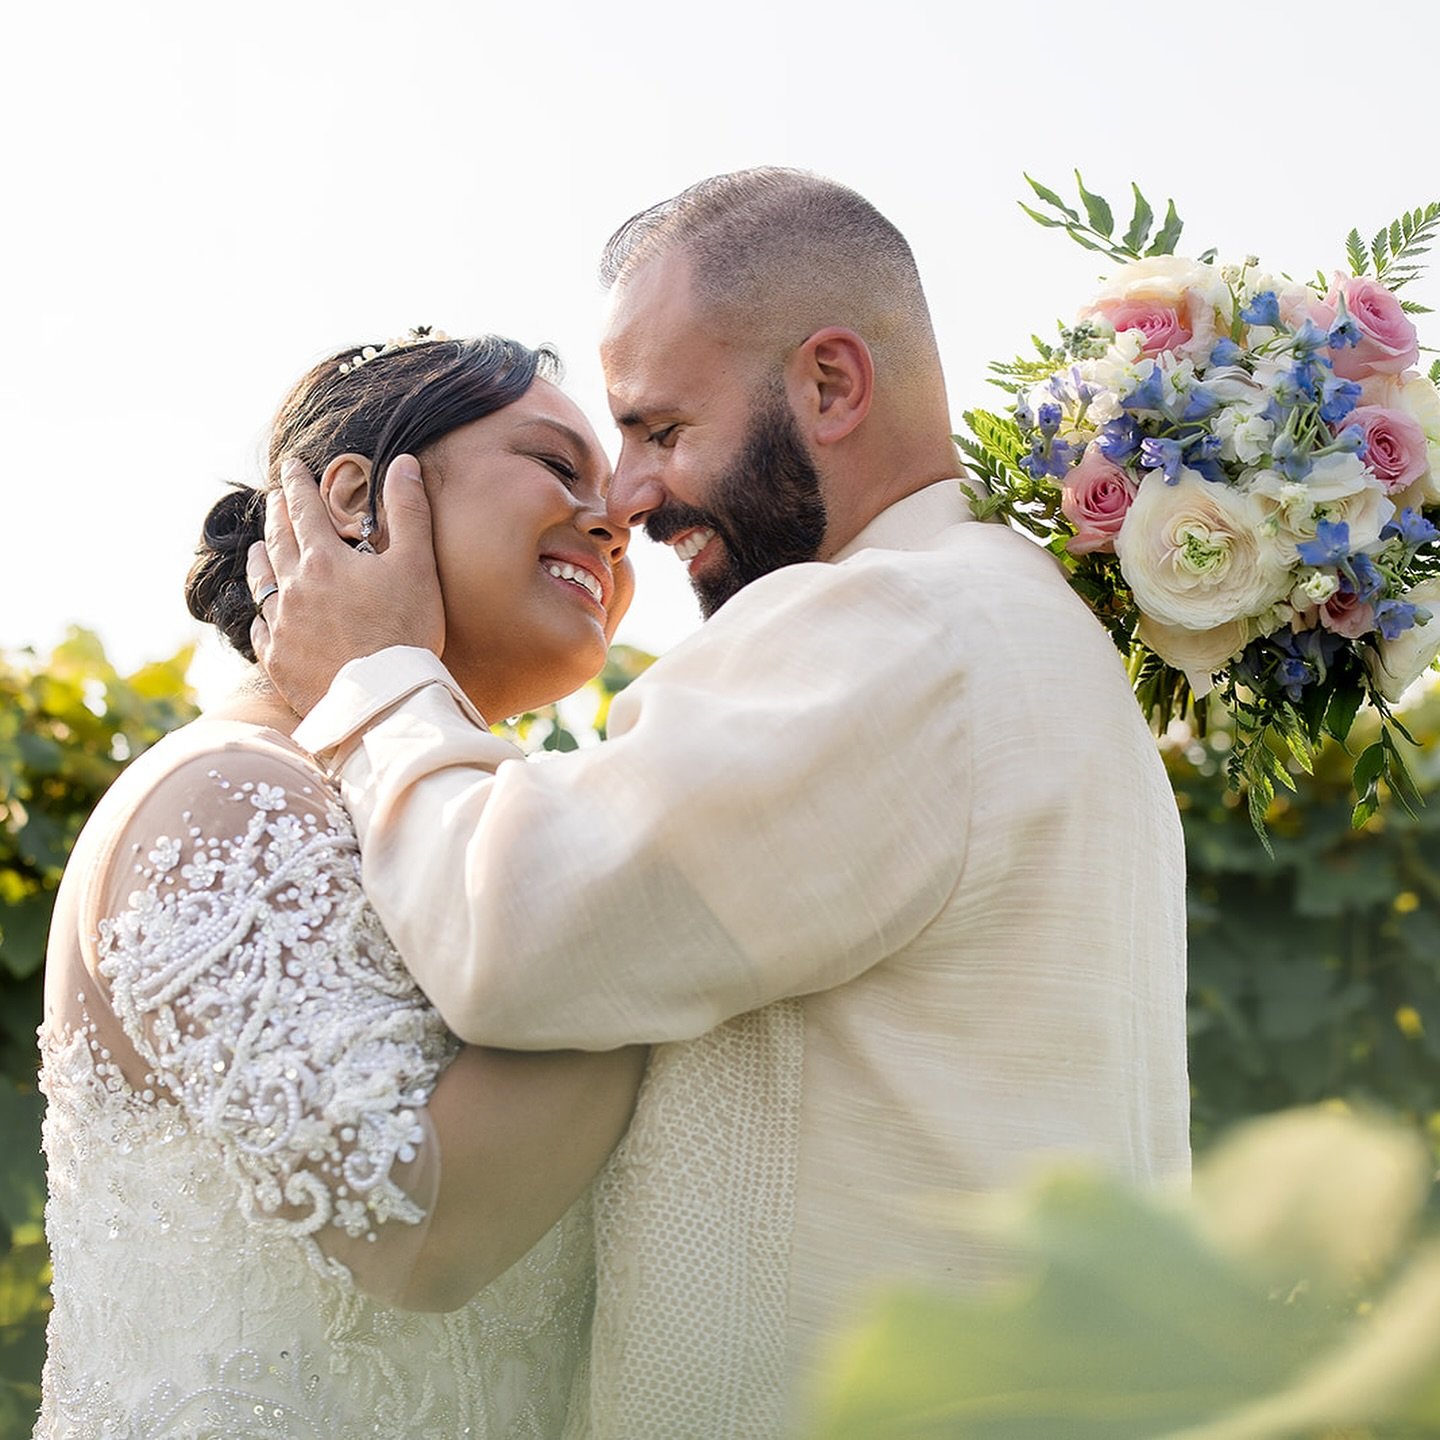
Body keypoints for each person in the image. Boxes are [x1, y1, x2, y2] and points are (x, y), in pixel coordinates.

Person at [252, 168, 1192, 1437]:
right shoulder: (1016, 626)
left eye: (658, 430)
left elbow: (520, 935)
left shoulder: (892, 623)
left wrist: (372, 686)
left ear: (830, 385)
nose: (626, 501)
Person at [35, 331, 646, 1438]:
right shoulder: (231, 796)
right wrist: (675, 919)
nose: (613, 518)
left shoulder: (442, 825)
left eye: (613, 494)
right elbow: (410, 1223)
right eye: (558, 465)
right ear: (360, 497)